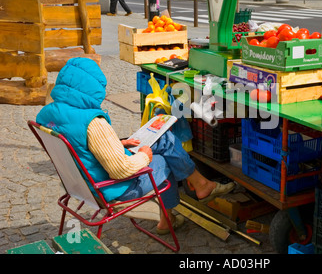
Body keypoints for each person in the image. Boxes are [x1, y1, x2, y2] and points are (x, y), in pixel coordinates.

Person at [36, 57, 235, 234]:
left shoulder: (47, 114)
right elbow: (121, 170)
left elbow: (77, 146)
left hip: (79, 183)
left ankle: (200, 184)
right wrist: (144, 157)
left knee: (163, 139)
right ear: (92, 88)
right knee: (164, 160)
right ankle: (170, 219)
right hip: (112, 188)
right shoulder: (93, 123)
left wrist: (117, 143)